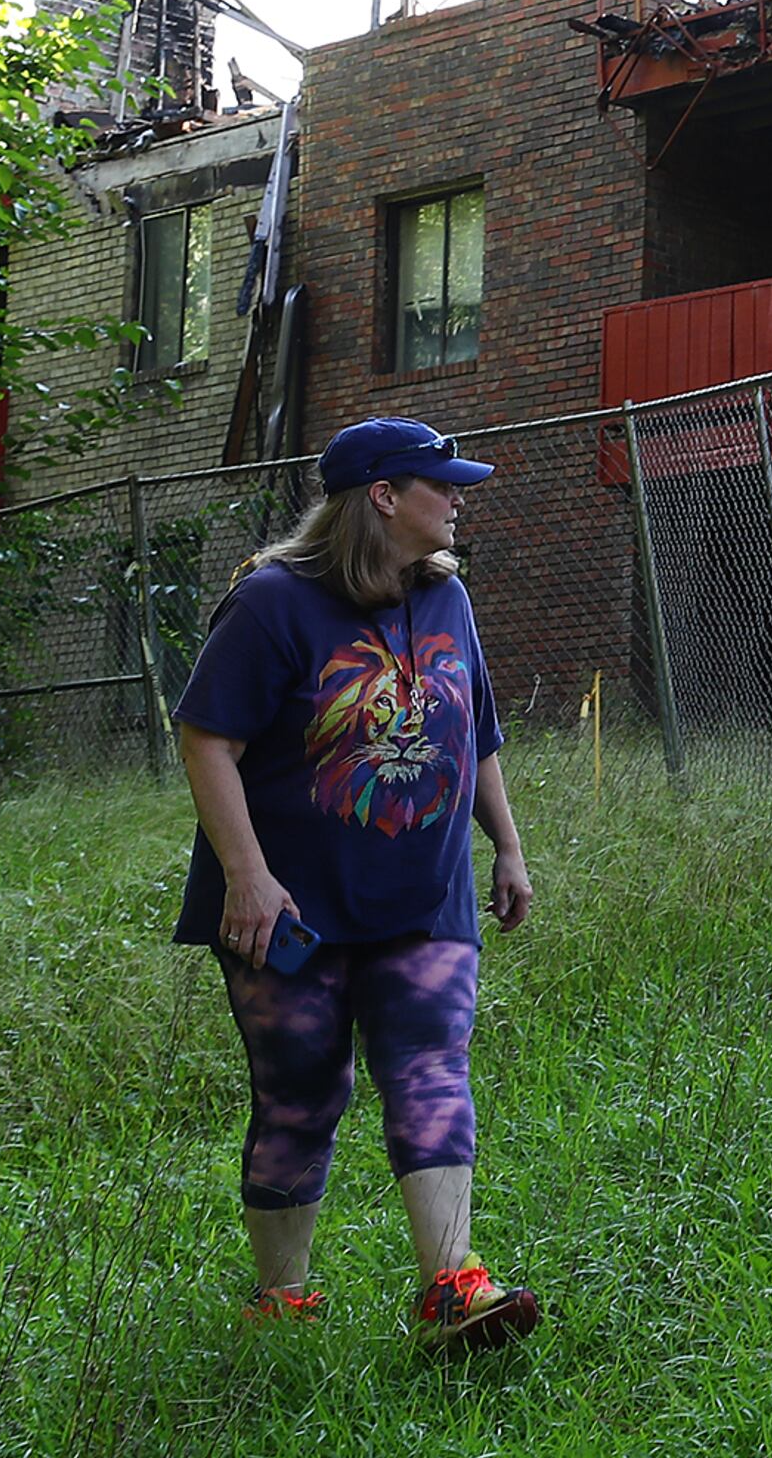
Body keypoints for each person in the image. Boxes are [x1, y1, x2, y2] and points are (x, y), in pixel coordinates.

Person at [173, 416, 542, 1353]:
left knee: (430, 1067)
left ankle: (454, 1287)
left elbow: (476, 732)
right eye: (441, 483)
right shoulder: (270, 604)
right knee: (302, 1092)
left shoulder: (446, 598)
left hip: (425, 898)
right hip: (290, 905)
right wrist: (246, 877)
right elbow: (206, 737)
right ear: (383, 495)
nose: (458, 497)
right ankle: (283, 1300)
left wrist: (506, 845)